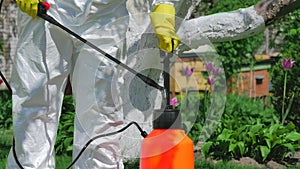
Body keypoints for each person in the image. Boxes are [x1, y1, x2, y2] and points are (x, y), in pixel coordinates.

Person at [6, 0, 180, 168]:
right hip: (46, 9)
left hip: (105, 14)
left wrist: (163, 5)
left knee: (102, 108)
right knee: (36, 101)